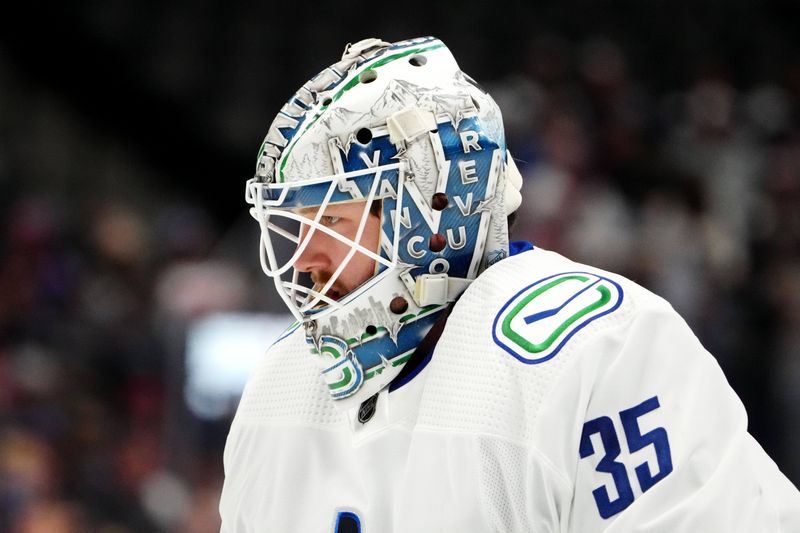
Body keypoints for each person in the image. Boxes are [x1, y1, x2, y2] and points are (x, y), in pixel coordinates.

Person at [219, 36, 800, 532]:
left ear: (432, 208)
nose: (304, 261)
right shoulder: (279, 381)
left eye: (333, 222)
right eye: (292, 228)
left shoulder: (602, 350)